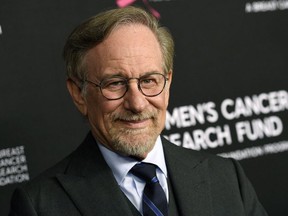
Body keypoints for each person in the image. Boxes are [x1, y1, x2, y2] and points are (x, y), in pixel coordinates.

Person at [9, 6, 268, 216]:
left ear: (167, 83)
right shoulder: (39, 205)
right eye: (115, 83)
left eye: (149, 81)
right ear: (79, 94)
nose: (137, 103)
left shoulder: (226, 178)